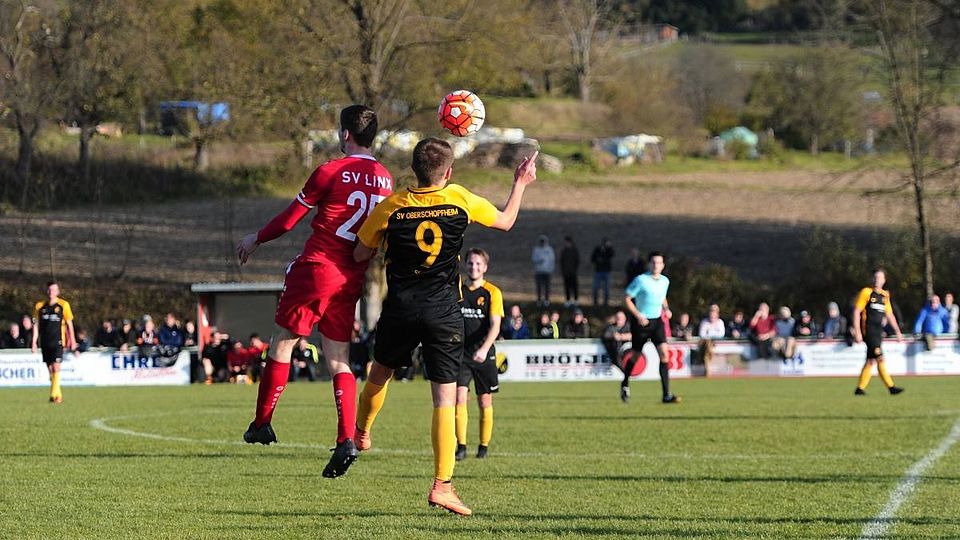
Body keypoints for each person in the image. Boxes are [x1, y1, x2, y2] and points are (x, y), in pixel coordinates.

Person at [352, 137, 537, 516]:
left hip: (401, 309)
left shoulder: (392, 205)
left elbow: (359, 252)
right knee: (445, 400)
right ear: (448, 172)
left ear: (413, 170)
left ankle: (362, 431)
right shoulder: (459, 198)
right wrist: (520, 182)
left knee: (379, 375)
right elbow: (505, 221)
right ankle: (442, 486)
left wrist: (381, 242)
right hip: (444, 313)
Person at [235, 105, 392, 478]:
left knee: (283, 342)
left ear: (345, 134)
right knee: (338, 359)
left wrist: (256, 238)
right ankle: (346, 439)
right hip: (351, 276)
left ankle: (262, 422)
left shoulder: (330, 171)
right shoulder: (385, 179)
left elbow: (290, 219)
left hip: (318, 268)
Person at [455, 248, 504, 462]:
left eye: (478, 264)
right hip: (461, 355)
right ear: (466, 265)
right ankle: (461, 447)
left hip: (484, 354)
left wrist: (484, 349)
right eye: (470, 263)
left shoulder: (492, 292)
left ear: (485, 267)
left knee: (484, 402)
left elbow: (496, 325)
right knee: (459, 398)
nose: (474, 267)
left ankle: (483, 446)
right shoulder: (458, 289)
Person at [621, 252, 680, 404]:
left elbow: (662, 297)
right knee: (635, 356)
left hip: (657, 322)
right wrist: (638, 315)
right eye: (653, 262)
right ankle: (625, 383)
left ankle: (666, 394)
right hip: (641, 323)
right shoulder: (641, 280)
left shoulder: (665, 281)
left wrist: (666, 308)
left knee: (664, 355)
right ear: (649, 264)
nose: (656, 265)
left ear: (663, 265)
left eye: (659, 262)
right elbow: (626, 298)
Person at [852, 268, 904, 396]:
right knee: (880, 358)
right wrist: (857, 331)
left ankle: (860, 389)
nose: (877, 280)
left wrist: (897, 331)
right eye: (875, 277)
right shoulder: (866, 292)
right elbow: (857, 311)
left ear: (884, 280)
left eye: (880, 277)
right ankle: (891, 387)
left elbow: (890, 314)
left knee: (870, 360)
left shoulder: (884, 296)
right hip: (868, 332)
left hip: (878, 332)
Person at [31, 281, 76, 404]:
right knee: (50, 369)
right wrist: (34, 342)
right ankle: (57, 394)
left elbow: (69, 324)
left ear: (58, 291)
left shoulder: (63, 305)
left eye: (54, 290)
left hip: (58, 341)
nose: (51, 292)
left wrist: (72, 340)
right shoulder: (39, 306)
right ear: (47, 291)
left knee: (56, 366)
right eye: (50, 290)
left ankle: (54, 395)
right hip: (45, 341)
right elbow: (35, 325)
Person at [531, 234, 555, 307]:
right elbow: (533, 259)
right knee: (539, 286)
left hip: (547, 271)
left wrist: (551, 269)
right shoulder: (536, 250)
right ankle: (539, 299)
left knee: (547, 286)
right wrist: (539, 261)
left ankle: (546, 299)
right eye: (541, 241)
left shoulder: (549, 250)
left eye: (543, 241)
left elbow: (552, 260)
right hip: (539, 271)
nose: (542, 243)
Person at [590, 237, 615, 307]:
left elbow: (612, 255)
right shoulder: (597, 249)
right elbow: (592, 259)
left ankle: (606, 303)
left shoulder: (609, 250)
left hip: (607, 271)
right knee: (596, 287)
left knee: (606, 288)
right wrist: (598, 259)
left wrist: (609, 247)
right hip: (598, 271)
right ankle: (595, 303)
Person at [559, 236, 580, 306]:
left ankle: (576, 300)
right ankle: (568, 300)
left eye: (567, 242)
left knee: (574, 287)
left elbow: (577, 261)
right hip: (566, 273)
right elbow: (561, 262)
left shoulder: (574, 250)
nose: (566, 243)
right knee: (567, 287)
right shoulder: (563, 251)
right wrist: (563, 271)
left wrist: (574, 270)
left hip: (573, 272)